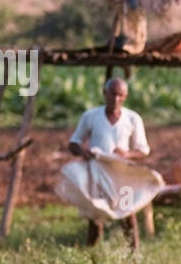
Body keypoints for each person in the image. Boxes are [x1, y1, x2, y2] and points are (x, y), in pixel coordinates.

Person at [58, 77, 160, 249]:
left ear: (125, 97)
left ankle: (133, 255)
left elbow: (143, 150)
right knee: (96, 215)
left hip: (123, 175)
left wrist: (127, 153)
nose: (116, 99)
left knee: (128, 216)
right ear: (105, 93)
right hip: (97, 174)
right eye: (112, 94)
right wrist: (86, 154)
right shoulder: (91, 116)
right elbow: (74, 143)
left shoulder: (132, 119)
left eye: (120, 95)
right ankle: (92, 254)